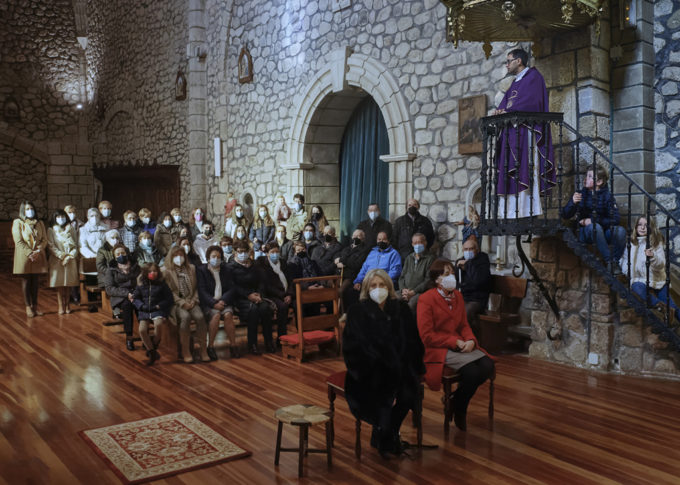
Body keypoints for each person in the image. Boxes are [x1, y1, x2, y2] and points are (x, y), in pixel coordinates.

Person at [343, 268, 425, 457]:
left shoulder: (402, 309)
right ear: (366, 289)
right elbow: (351, 349)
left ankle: (386, 431)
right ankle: (384, 434)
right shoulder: (357, 311)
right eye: (373, 286)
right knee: (381, 394)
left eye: (382, 285)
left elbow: (414, 341)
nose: (378, 289)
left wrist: (412, 365)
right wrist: (369, 368)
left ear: (389, 288)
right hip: (368, 371)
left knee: (408, 393)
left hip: (400, 367)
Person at [417, 259, 495, 431]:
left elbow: (463, 325)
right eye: (446, 274)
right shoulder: (426, 299)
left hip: (459, 344)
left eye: (452, 273)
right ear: (437, 279)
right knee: (472, 372)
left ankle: (454, 401)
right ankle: (461, 409)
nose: (451, 276)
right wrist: (455, 341)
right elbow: (426, 336)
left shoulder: (458, 296)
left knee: (487, 365)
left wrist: (470, 340)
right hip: (438, 348)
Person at [493, 48, 556, 218]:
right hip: (512, 131)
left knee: (523, 169)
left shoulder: (534, 78)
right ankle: (512, 212)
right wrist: (500, 112)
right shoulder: (515, 82)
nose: (506, 65)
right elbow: (506, 104)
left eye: (508, 61)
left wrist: (508, 111)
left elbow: (533, 103)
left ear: (518, 61)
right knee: (510, 167)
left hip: (526, 131)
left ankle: (526, 209)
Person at [561, 165, 626, 274]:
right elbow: (565, 215)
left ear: (599, 181)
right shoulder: (580, 194)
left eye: (590, 176)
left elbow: (615, 219)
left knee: (620, 231)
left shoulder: (607, 197)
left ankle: (614, 262)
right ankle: (610, 262)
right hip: (584, 232)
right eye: (586, 175)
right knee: (594, 227)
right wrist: (572, 202)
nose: (586, 178)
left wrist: (594, 220)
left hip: (602, 232)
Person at [621, 216, 680, 323]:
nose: (643, 228)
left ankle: (670, 310)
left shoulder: (656, 243)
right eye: (640, 225)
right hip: (640, 279)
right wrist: (627, 271)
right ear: (636, 227)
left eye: (646, 225)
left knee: (673, 306)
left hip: (657, 279)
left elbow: (661, 264)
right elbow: (625, 260)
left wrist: (653, 257)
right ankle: (663, 308)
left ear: (651, 228)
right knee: (636, 288)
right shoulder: (632, 243)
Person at [163, 246, 211, 363]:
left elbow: (197, 288)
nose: (179, 258)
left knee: (200, 317)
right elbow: (169, 292)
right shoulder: (166, 271)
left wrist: (194, 300)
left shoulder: (192, 268)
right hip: (177, 304)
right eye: (175, 255)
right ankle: (186, 351)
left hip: (192, 300)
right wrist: (182, 303)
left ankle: (203, 350)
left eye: (181, 255)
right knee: (185, 317)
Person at [228, 240, 275, 354]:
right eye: (240, 252)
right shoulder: (231, 267)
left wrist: (258, 294)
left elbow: (261, 282)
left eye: (245, 251)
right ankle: (252, 344)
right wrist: (248, 295)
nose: (242, 254)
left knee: (265, 308)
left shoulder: (254, 265)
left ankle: (269, 341)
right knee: (252, 310)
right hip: (241, 299)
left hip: (257, 296)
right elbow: (233, 286)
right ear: (235, 252)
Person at [197, 245, 239, 359]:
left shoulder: (227, 270)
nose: (216, 259)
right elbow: (202, 291)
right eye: (213, 256)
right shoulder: (202, 270)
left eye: (218, 257)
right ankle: (210, 346)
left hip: (224, 301)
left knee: (228, 315)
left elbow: (232, 288)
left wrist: (223, 301)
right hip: (209, 303)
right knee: (215, 315)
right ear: (208, 258)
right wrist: (213, 303)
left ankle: (233, 345)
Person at [133, 263, 174, 365]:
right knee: (142, 330)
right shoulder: (141, 284)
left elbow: (169, 299)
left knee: (158, 324)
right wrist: (141, 306)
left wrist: (159, 306)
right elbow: (136, 298)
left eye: (155, 271)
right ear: (146, 273)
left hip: (157, 309)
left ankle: (154, 345)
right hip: (145, 309)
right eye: (150, 271)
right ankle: (152, 352)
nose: (153, 273)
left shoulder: (162, 284)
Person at [255, 241, 294, 346]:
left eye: (277, 252)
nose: (275, 254)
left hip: (287, 294)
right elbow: (267, 285)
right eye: (272, 252)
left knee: (301, 304)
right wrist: (283, 295)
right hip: (273, 294)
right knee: (282, 306)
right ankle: (281, 337)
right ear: (267, 253)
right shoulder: (262, 264)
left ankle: (301, 336)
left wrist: (289, 294)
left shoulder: (283, 262)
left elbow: (290, 280)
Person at [13, 201, 48, 317]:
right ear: (23, 210)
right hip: (24, 256)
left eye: (32, 208)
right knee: (26, 281)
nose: (30, 211)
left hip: (37, 255)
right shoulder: (18, 222)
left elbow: (44, 240)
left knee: (35, 282)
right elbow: (18, 241)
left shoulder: (40, 223)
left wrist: (38, 250)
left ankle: (35, 306)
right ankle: (28, 307)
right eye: (27, 209)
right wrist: (30, 253)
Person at [104, 243, 141, 350]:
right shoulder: (111, 269)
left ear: (127, 253)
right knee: (127, 306)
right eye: (118, 254)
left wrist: (136, 293)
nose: (121, 255)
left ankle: (144, 336)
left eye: (123, 253)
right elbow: (109, 288)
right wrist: (126, 294)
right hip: (121, 296)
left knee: (141, 307)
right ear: (114, 257)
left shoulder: (135, 266)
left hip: (136, 293)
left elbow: (141, 282)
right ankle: (129, 337)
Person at [455, 236, 492, 333]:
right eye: (466, 249)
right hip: (463, 297)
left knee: (466, 312)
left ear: (477, 249)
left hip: (477, 299)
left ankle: (468, 340)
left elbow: (478, 281)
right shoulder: (459, 261)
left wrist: (467, 265)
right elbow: (457, 282)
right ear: (462, 250)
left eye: (471, 249)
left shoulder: (483, 260)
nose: (468, 251)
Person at [47, 209, 79, 315]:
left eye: (63, 217)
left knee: (68, 283)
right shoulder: (51, 230)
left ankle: (68, 304)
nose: (61, 219)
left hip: (70, 260)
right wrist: (62, 255)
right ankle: (61, 305)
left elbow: (76, 245)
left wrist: (70, 256)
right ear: (55, 219)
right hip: (57, 260)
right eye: (59, 217)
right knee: (60, 284)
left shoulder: (71, 229)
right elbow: (51, 246)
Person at [399, 233, 436, 313]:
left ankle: (410, 325)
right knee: (392, 299)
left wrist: (413, 292)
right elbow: (402, 277)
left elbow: (428, 280)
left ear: (425, 243)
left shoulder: (430, 259)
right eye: (415, 243)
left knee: (410, 306)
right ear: (412, 244)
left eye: (420, 242)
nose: (417, 245)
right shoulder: (409, 258)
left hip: (420, 292)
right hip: (406, 291)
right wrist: (403, 290)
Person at [336, 229, 370, 311]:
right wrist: (338, 263)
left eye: (358, 236)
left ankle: (343, 313)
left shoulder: (364, 251)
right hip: (339, 275)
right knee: (329, 289)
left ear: (363, 238)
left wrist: (342, 261)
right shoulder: (346, 249)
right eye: (354, 236)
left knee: (341, 291)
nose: (355, 238)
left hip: (351, 276)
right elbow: (338, 259)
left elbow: (356, 264)